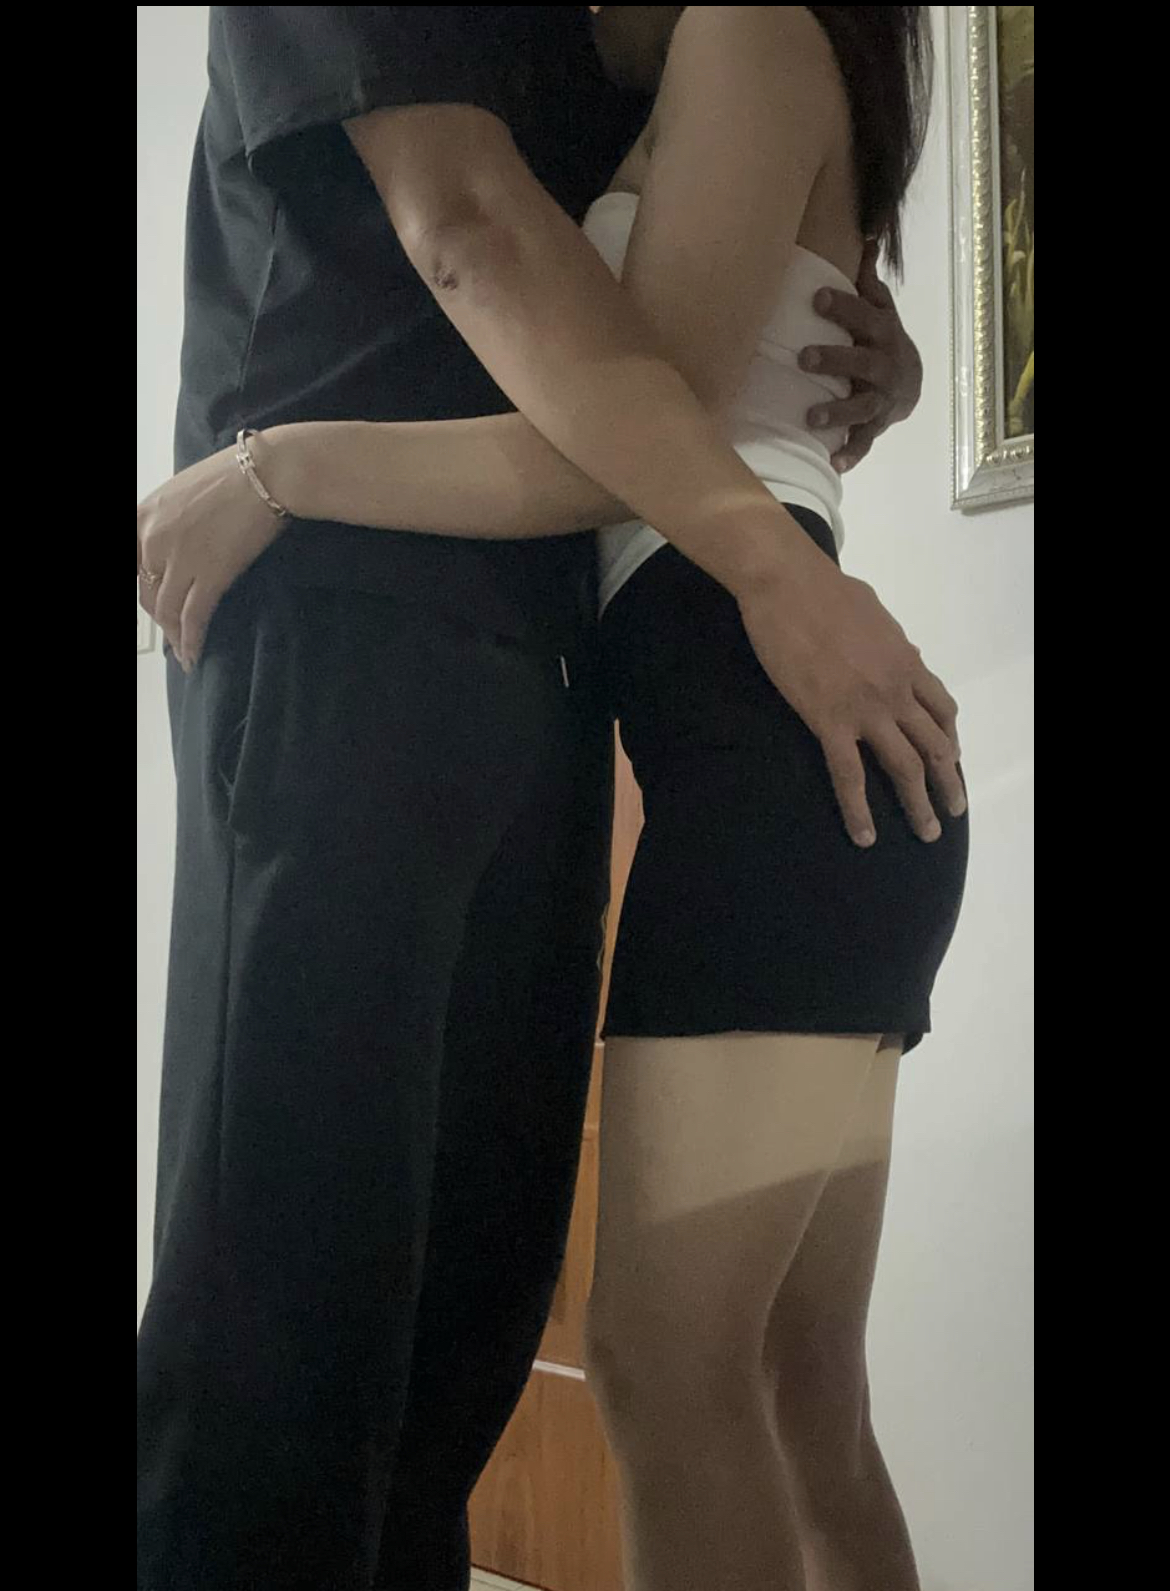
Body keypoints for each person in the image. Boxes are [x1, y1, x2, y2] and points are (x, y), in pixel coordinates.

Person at [136, 7, 952, 1589]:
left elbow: (598, 379)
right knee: (313, 1295)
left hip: (698, 732)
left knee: (554, 1337)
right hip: (446, 659)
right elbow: (478, 239)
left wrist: (274, 467)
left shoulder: (704, 36)